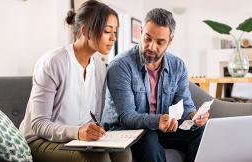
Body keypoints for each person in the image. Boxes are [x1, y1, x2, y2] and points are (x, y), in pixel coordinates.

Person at [19, 1, 131, 162]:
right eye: (107, 31)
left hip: (76, 140)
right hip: (40, 140)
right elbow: (39, 124)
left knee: (124, 153)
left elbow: (94, 117)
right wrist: (77, 132)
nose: (113, 38)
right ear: (86, 30)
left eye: (115, 31)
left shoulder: (100, 68)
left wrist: (96, 132)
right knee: (99, 159)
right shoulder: (53, 62)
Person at [101, 8, 209, 162]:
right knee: (149, 138)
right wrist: (158, 121)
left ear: (170, 40)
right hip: (125, 130)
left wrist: (194, 116)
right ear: (141, 32)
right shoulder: (120, 66)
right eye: (147, 38)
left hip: (161, 128)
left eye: (160, 42)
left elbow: (185, 105)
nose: (152, 47)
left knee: (200, 131)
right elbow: (126, 117)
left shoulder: (178, 66)